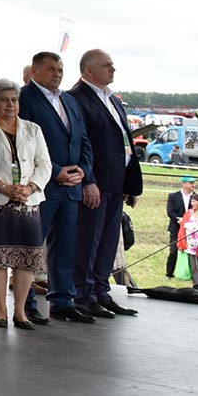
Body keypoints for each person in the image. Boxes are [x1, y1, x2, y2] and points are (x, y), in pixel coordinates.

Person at [18, 51, 94, 324]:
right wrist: (55, 171)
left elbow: (83, 139)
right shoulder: (24, 98)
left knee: (65, 246)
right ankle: (25, 304)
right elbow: (23, 143)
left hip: (70, 185)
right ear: (35, 71)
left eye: (60, 69)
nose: (57, 74)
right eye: (51, 69)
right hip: (40, 186)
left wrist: (84, 169)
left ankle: (63, 300)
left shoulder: (69, 101)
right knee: (30, 245)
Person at [69, 49, 143, 318]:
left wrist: (130, 184)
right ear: (88, 70)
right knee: (88, 240)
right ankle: (83, 294)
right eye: (106, 65)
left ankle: (101, 291)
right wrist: (88, 180)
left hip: (116, 182)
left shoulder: (112, 99)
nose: (113, 69)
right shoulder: (75, 98)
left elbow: (125, 142)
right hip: (95, 182)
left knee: (108, 242)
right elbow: (79, 143)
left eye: (112, 65)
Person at [0, 78, 48, 328]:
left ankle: (21, 312)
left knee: (26, 258)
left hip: (28, 201)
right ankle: (1, 311)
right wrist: (4, 187)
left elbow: (44, 164)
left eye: (14, 100)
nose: (10, 105)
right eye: (4, 100)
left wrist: (30, 187)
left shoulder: (33, 129)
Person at [166, 178, 198, 280]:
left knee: (192, 252)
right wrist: (178, 219)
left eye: (194, 183)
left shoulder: (197, 197)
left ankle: (194, 274)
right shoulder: (173, 196)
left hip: (192, 228)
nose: (194, 185)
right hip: (176, 227)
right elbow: (170, 211)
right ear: (183, 184)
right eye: (191, 183)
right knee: (173, 251)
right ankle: (169, 273)